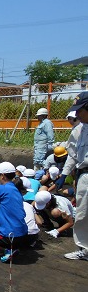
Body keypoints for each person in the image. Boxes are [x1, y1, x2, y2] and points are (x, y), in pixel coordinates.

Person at [63, 92, 88, 260]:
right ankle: (84, 249)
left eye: (80, 110)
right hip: (85, 174)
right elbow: (72, 154)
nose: (77, 114)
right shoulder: (79, 129)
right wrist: (64, 173)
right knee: (83, 213)